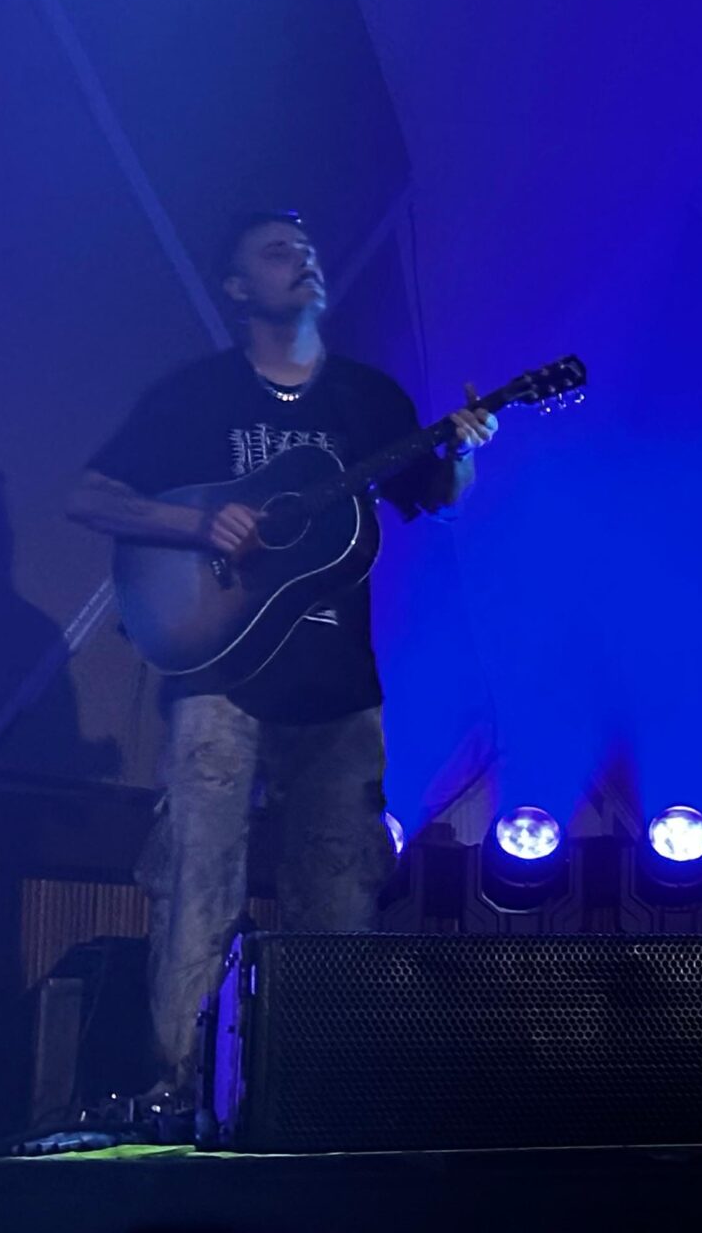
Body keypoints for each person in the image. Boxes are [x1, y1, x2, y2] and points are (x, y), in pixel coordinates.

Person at [67, 211, 496, 1088]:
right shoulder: (198, 396)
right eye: (274, 250)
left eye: (305, 246)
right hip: (218, 676)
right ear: (237, 289)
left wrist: (463, 452)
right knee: (199, 891)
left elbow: (438, 499)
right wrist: (196, 521)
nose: (300, 257)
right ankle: (176, 1096)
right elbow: (87, 493)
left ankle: (318, 1097)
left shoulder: (370, 402)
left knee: (338, 901)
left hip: (339, 690)